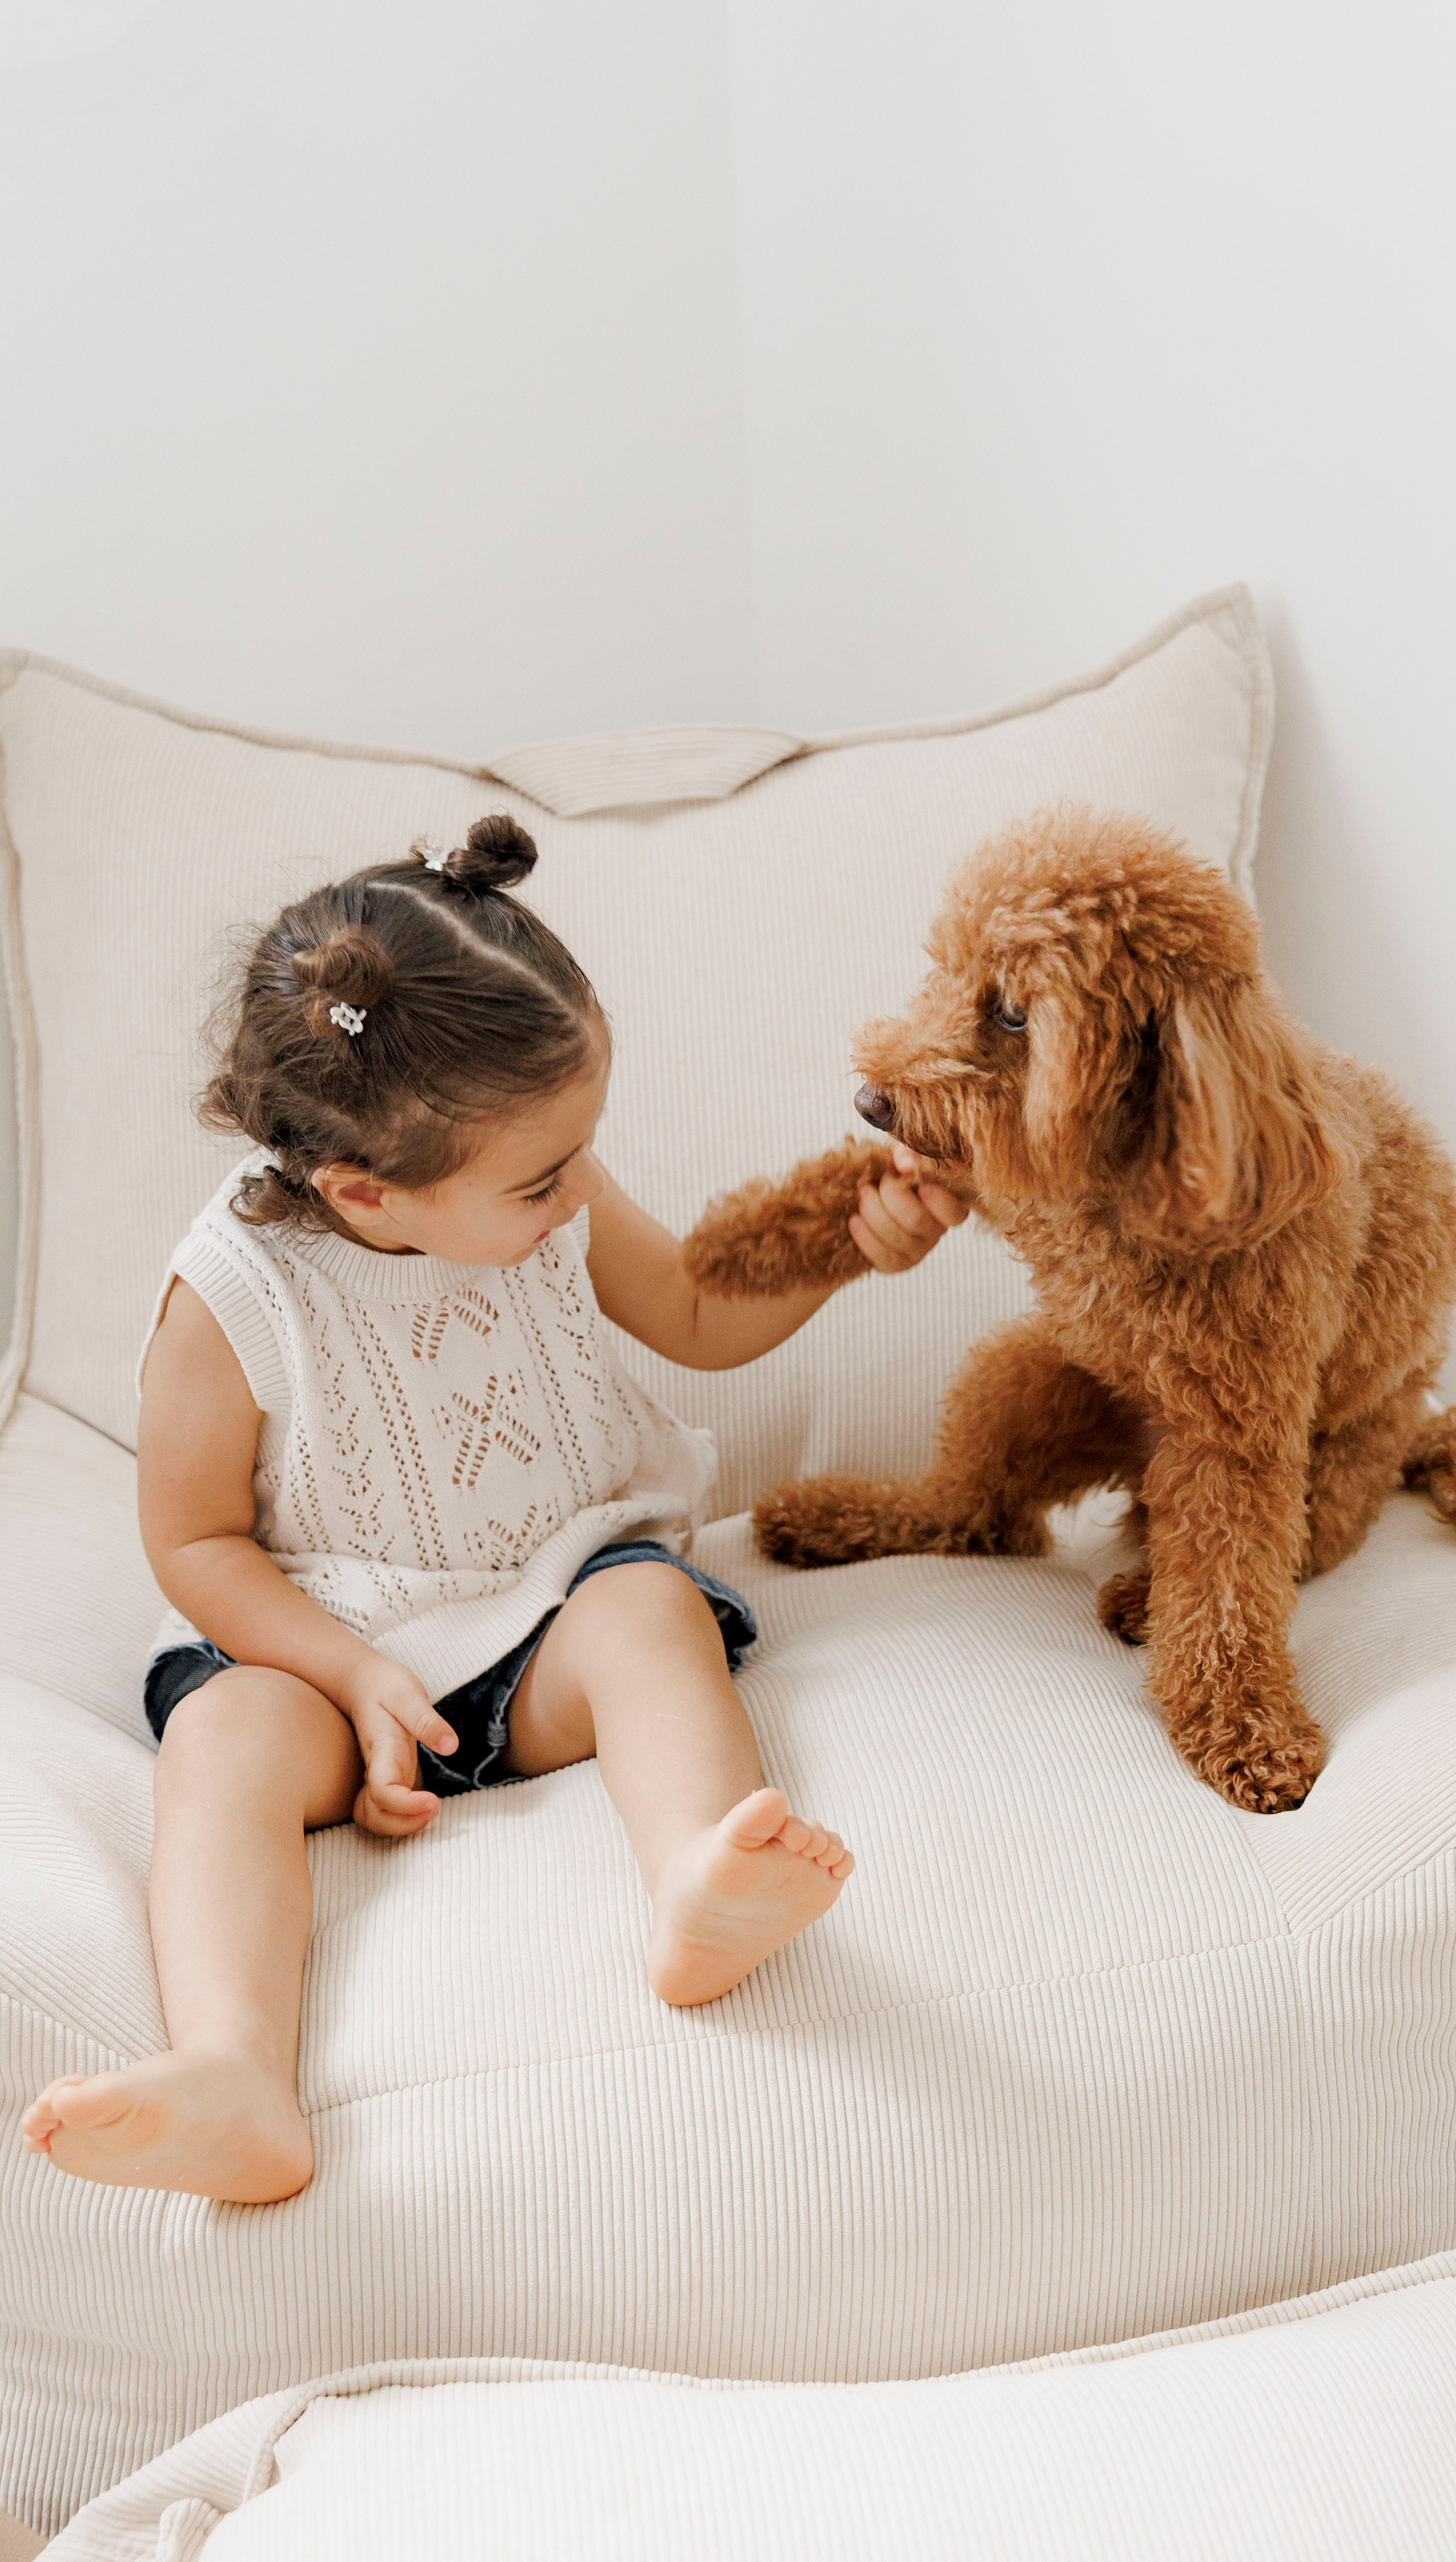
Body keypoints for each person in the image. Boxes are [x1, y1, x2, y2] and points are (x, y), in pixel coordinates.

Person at [20, 815, 964, 2203]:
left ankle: (699, 1876)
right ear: (362, 1191)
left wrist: (845, 1247)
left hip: (545, 1620)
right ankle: (232, 2072)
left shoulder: (551, 1188)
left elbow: (697, 1313)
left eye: (578, 1154)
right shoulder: (233, 1296)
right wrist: (348, 1673)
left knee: (645, 1607)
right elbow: (196, 1541)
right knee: (220, 1742)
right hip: (329, 1664)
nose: (573, 1188)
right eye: (539, 1178)